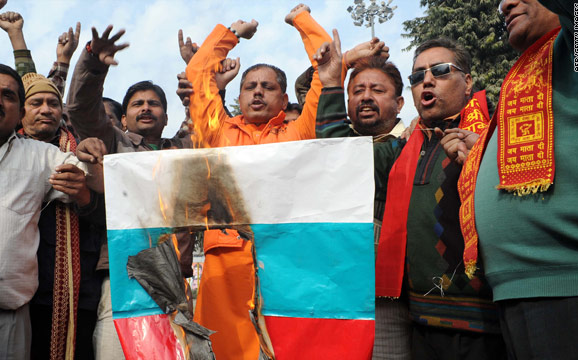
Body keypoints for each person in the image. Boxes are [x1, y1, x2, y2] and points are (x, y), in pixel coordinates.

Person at [183, 4, 340, 358]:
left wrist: (301, 20)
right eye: (250, 87)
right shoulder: (217, 132)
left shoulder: (301, 131)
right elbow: (197, 75)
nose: (257, 92)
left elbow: (328, 67)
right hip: (225, 266)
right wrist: (232, 33)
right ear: (237, 99)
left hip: (288, 263)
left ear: (284, 99)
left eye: (268, 87)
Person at [442, 1, 578, 358]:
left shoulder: (575, 51)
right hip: (516, 289)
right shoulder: (526, 74)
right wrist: (486, 152)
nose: (504, 4)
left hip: (566, 283)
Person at [0, 63, 97, 360]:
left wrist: (91, 151)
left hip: (9, 324)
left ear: (19, 112)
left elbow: (94, 176)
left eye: (9, 96)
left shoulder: (41, 157)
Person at [368, 38, 506, 359]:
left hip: (486, 322)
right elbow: (335, 156)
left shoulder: (497, 128)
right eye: (417, 76)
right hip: (421, 320)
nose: (427, 80)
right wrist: (334, 75)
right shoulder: (402, 148)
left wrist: (486, 157)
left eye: (440, 70)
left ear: (468, 81)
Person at [66, 24, 193, 360]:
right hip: (125, 274)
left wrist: (199, 71)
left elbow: (210, 122)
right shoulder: (114, 144)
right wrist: (93, 65)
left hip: (175, 279)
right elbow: (79, 109)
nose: (146, 108)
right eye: (137, 104)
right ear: (123, 119)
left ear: (167, 117)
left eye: (154, 103)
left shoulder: (185, 151)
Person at [314, 56, 411, 360]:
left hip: (391, 307)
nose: (366, 96)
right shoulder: (350, 145)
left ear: (399, 103)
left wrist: (331, 83)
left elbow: (339, 158)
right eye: (357, 91)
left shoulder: (412, 145)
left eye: (377, 90)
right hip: (336, 297)